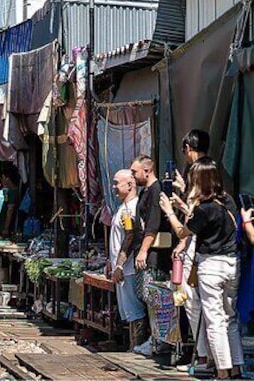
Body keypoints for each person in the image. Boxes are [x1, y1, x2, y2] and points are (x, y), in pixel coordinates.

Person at [161, 158, 244, 379]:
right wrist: (185, 206)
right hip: (232, 264)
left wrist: (170, 212)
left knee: (214, 320)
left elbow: (182, 232)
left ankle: (222, 372)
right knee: (230, 318)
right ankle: (236, 368)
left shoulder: (204, 209)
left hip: (212, 266)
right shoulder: (227, 201)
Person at [170, 129, 212, 372]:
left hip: (198, 245)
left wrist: (175, 207)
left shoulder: (198, 171)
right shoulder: (209, 170)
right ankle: (209, 358)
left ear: (188, 147)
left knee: (194, 302)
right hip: (201, 244)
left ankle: (205, 358)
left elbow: (195, 217)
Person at [130, 154, 173, 355]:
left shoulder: (156, 191)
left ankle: (159, 340)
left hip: (155, 255)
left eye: (134, 172)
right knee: (147, 296)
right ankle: (155, 338)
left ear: (147, 171)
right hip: (146, 251)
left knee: (155, 297)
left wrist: (144, 250)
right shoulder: (145, 191)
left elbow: (153, 225)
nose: (132, 176)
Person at [106, 169, 147, 351]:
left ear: (130, 185)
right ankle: (133, 347)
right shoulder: (124, 207)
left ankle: (136, 348)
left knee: (134, 311)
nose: (113, 187)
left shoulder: (131, 209)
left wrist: (120, 266)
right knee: (129, 312)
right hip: (123, 268)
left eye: (117, 183)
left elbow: (130, 237)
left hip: (128, 269)